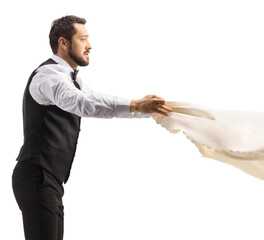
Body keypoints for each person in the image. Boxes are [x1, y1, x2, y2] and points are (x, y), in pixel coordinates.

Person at [12, 15, 172, 240]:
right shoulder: (49, 76)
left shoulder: (69, 78)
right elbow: (83, 104)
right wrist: (137, 104)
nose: (90, 45)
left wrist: (147, 109)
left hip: (50, 180)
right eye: (83, 39)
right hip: (37, 176)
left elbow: (101, 101)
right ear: (63, 43)